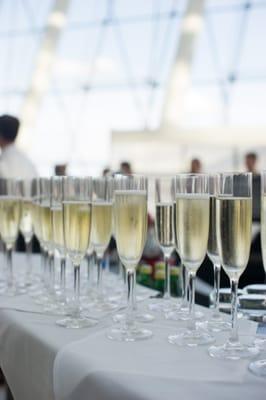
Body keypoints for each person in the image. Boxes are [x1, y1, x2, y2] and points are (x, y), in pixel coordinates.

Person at [245, 152, 260, 222]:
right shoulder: (242, 180)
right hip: (246, 216)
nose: (247, 163)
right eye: (246, 161)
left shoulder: (261, 180)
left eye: (249, 161)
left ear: (255, 161)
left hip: (258, 217)